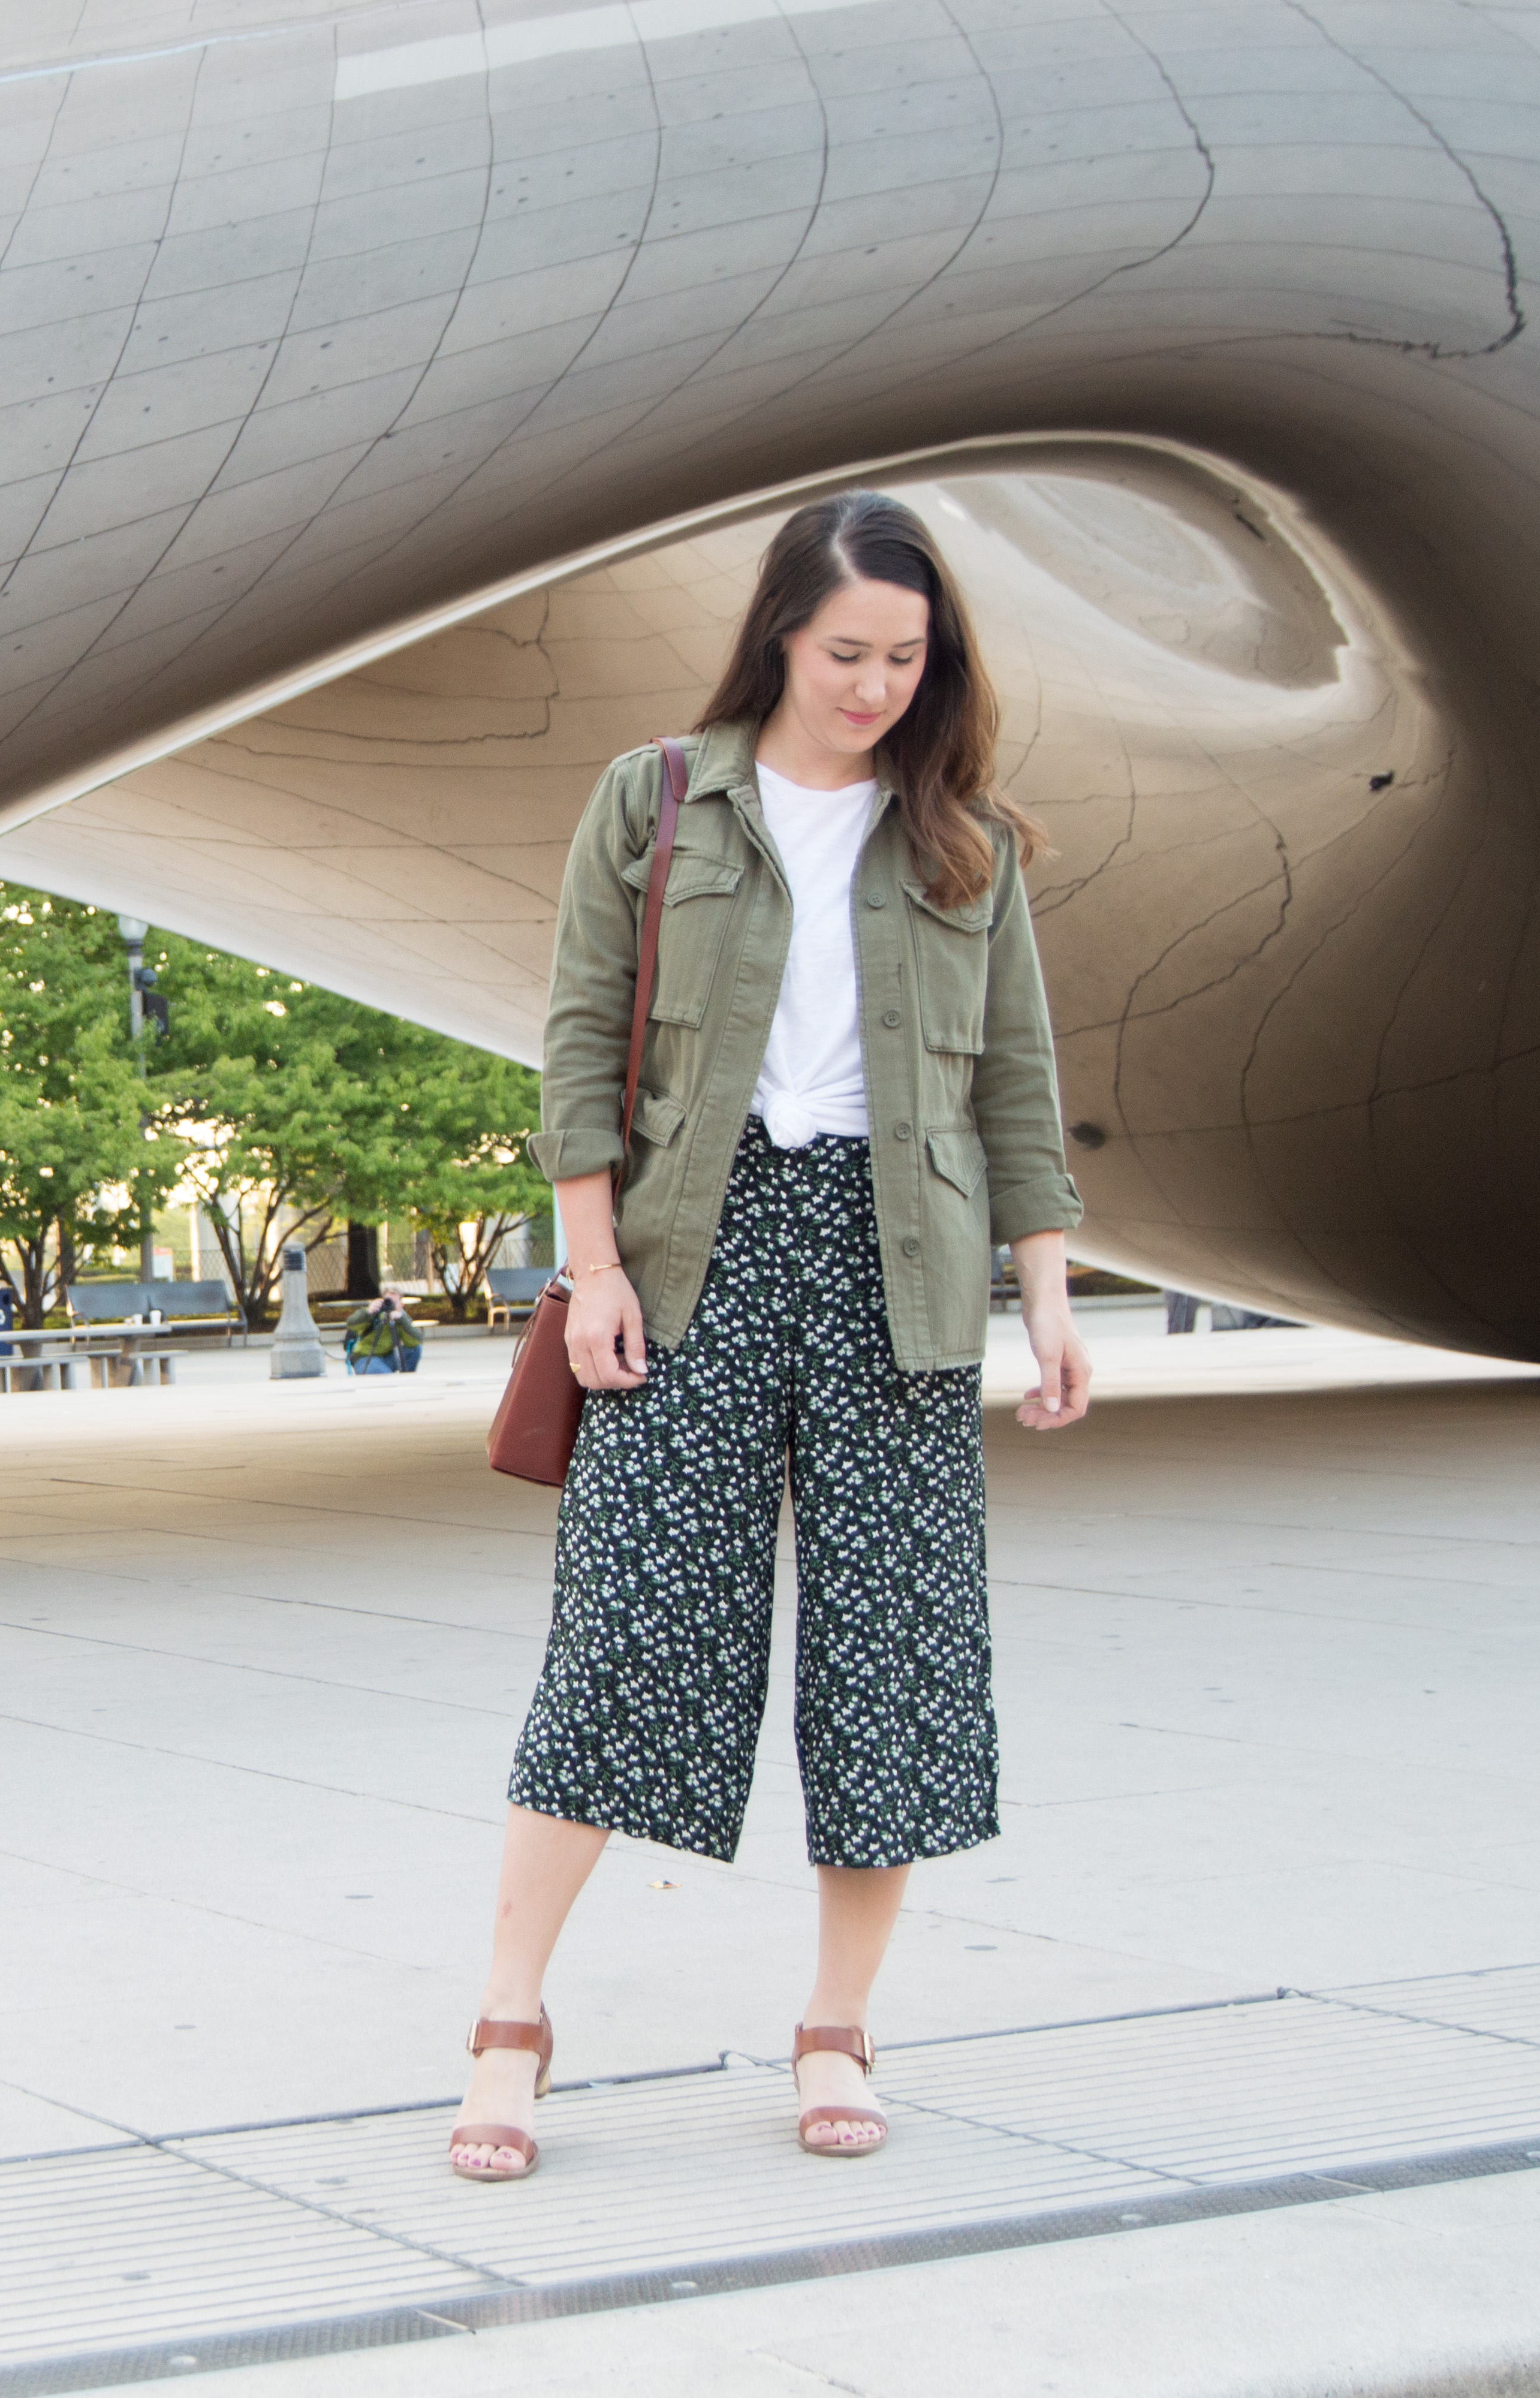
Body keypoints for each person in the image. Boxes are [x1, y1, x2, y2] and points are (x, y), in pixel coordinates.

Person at [450, 489, 1092, 2183]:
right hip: (691, 1250)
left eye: (905, 656)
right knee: (627, 1634)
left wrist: (1042, 1293)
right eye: (845, 652)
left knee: (889, 1668)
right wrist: (589, 1267)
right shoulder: (656, 801)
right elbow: (580, 1042)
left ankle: (834, 2026)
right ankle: (508, 2020)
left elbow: (1014, 1081)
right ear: (779, 637)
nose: (876, 684)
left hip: (904, 1273)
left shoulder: (966, 836)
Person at [344, 1284, 423, 1375]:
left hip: (387, 1357)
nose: (390, 1305)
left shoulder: (401, 1318)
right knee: (385, 1376)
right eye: (388, 1301)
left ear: (401, 1304)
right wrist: (368, 1313)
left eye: (394, 1302)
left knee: (415, 1349)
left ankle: (406, 1379)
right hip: (365, 1357)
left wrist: (402, 1320)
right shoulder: (374, 1312)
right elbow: (351, 1324)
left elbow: (416, 1342)